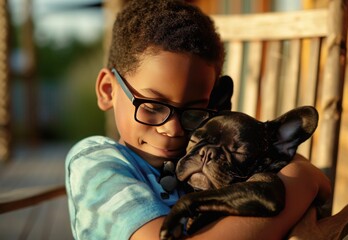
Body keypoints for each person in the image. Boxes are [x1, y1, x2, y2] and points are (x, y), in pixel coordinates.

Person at [65, 0, 331, 239]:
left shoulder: (207, 156)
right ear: (108, 90)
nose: (173, 128)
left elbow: (301, 173)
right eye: (152, 106)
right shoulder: (95, 163)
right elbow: (308, 181)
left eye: (193, 113)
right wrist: (300, 182)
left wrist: (297, 172)